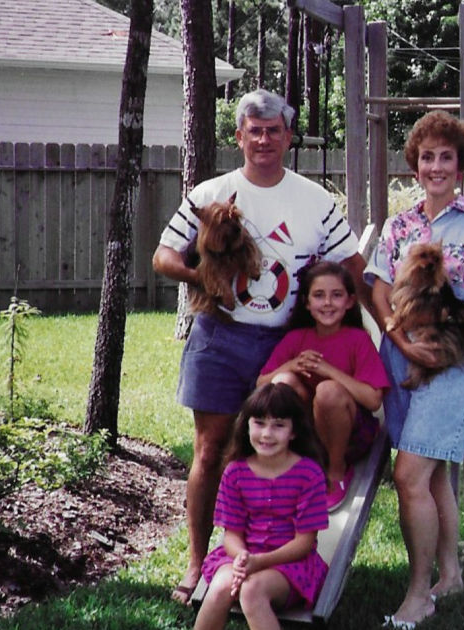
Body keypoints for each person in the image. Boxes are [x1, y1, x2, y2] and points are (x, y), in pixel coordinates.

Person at [152, 89, 366, 604]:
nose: (264, 139)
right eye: (255, 130)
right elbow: (162, 257)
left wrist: (375, 327)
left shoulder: (315, 200)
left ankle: (277, 563)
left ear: (288, 137)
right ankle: (199, 565)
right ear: (239, 135)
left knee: (275, 454)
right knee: (211, 452)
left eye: (274, 131)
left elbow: (354, 270)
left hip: (285, 342)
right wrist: (202, 277)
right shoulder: (212, 193)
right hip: (219, 339)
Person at [364, 110, 464, 628]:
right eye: (427, 157)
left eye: (446, 157)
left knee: (409, 474)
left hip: (451, 361)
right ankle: (450, 574)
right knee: (434, 478)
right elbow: (378, 287)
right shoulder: (399, 226)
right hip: (402, 356)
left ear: (461, 167)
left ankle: (418, 595)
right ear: (415, 165)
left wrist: (440, 317)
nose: (436, 166)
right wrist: (398, 335)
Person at [193, 382, 330, 630]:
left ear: (294, 432)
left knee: (251, 590)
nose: (267, 434)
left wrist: (260, 563)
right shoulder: (235, 473)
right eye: (259, 423)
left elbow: (304, 543)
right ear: (246, 426)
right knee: (220, 586)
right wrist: (243, 558)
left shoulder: (309, 474)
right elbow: (231, 535)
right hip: (242, 557)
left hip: (291, 565)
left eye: (278, 425)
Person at [257, 261, 389, 511]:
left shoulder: (358, 339)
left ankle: (335, 472)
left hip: (350, 436)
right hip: (309, 436)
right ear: (307, 303)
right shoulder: (297, 338)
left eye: (336, 295)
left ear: (350, 301)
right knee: (282, 383)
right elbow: (262, 383)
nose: (327, 303)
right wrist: (292, 365)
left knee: (328, 391)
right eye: (319, 295)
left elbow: (373, 400)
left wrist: (328, 371)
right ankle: (290, 466)